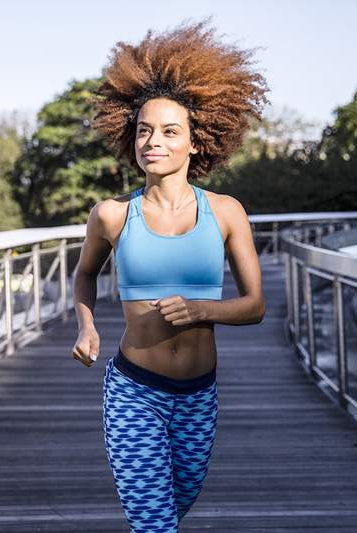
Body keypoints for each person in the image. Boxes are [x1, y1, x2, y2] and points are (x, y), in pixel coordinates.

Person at [70, 18, 269, 532]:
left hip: (200, 395)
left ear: (196, 143)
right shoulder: (111, 215)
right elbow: (84, 276)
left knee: (173, 511)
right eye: (143, 130)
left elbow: (255, 305)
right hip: (134, 391)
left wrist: (202, 309)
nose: (152, 141)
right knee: (155, 525)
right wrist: (87, 326)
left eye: (169, 131)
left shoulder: (226, 212)